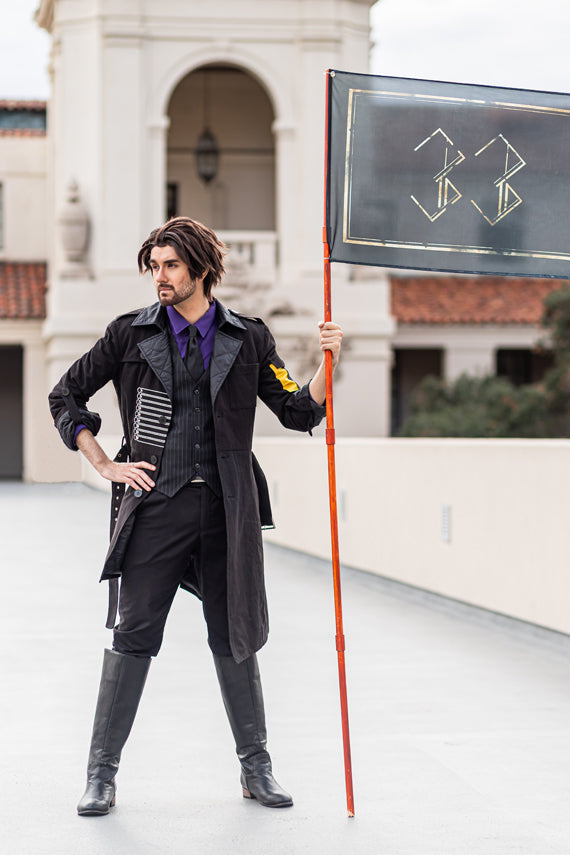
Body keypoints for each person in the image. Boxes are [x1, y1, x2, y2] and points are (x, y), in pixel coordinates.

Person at [48, 216, 343, 817]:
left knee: (235, 636)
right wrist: (104, 463)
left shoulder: (248, 337)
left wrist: (328, 361)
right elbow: (66, 395)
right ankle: (101, 775)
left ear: (201, 270)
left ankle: (256, 769)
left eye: (171, 266)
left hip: (227, 510)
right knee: (133, 635)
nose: (160, 277)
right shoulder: (129, 335)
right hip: (155, 506)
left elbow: (296, 410)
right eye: (154, 267)